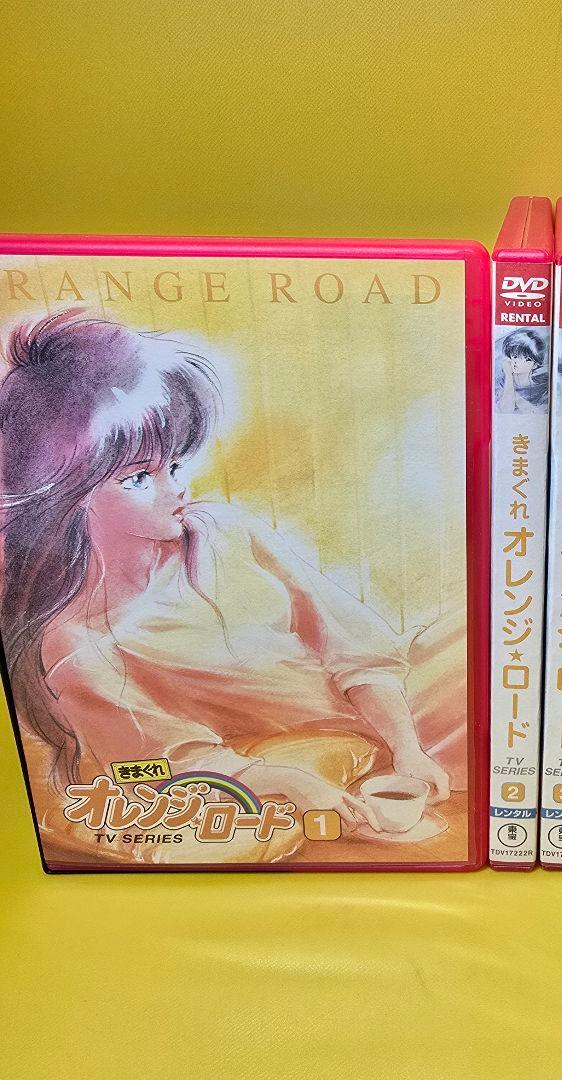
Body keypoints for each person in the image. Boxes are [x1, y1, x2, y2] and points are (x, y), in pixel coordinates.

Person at [0, 311, 461, 861]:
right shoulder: (78, 645)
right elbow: (159, 763)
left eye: (175, 464)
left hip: (391, 713)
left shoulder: (224, 530)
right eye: (139, 477)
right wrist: (290, 781)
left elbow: (353, 647)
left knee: (475, 645)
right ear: (66, 493)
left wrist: (407, 747)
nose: (177, 489)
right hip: (300, 756)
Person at [495, 328, 549, 414]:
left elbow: (538, 415)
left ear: (535, 364)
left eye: (526, 359)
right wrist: (509, 376)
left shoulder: (543, 389)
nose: (517, 362)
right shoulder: (501, 384)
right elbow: (505, 410)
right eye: (515, 356)